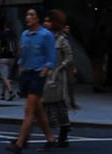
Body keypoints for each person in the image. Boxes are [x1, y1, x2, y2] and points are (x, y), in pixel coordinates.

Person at [6, 8, 56, 153]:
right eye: (27, 14)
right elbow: (22, 54)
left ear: (37, 19)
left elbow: (51, 57)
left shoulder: (46, 35)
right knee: (37, 109)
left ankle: (20, 143)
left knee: (29, 109)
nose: (28, 17)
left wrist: (44, 71)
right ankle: (50, 139)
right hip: (26, 74)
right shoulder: (25, 35)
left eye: (32, 15)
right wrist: (21, 67)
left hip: (37, 74)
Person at [43, 10, 73, 148]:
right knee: (45, 106)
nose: (45, 23)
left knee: (58, 105)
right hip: (46, 75)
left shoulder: (61, 39)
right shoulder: (44, 37)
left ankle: (63, 134)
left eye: (48, 21)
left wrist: (61, 67)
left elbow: (69, 57)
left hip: (57, 77)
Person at [0, 23, 18, 101]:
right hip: (12, 57)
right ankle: (2, 94)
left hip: (3, 57)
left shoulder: (1, 35)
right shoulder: (13, 35)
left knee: (4, 77)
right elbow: (17, 45)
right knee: (6, 77)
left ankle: (10, 92)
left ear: (5, 27)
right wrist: (16, 55)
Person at [62, 24, 78, 109]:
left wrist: (73, 66)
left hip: (69, 64)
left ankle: (71, 102)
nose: (67, 29)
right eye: (65, 27)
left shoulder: (69, 39)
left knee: (71, 83)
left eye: (68, 28)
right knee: (65, 84)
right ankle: (68, 102)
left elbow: (70, 53)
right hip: (63, 64)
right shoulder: (62, 38)